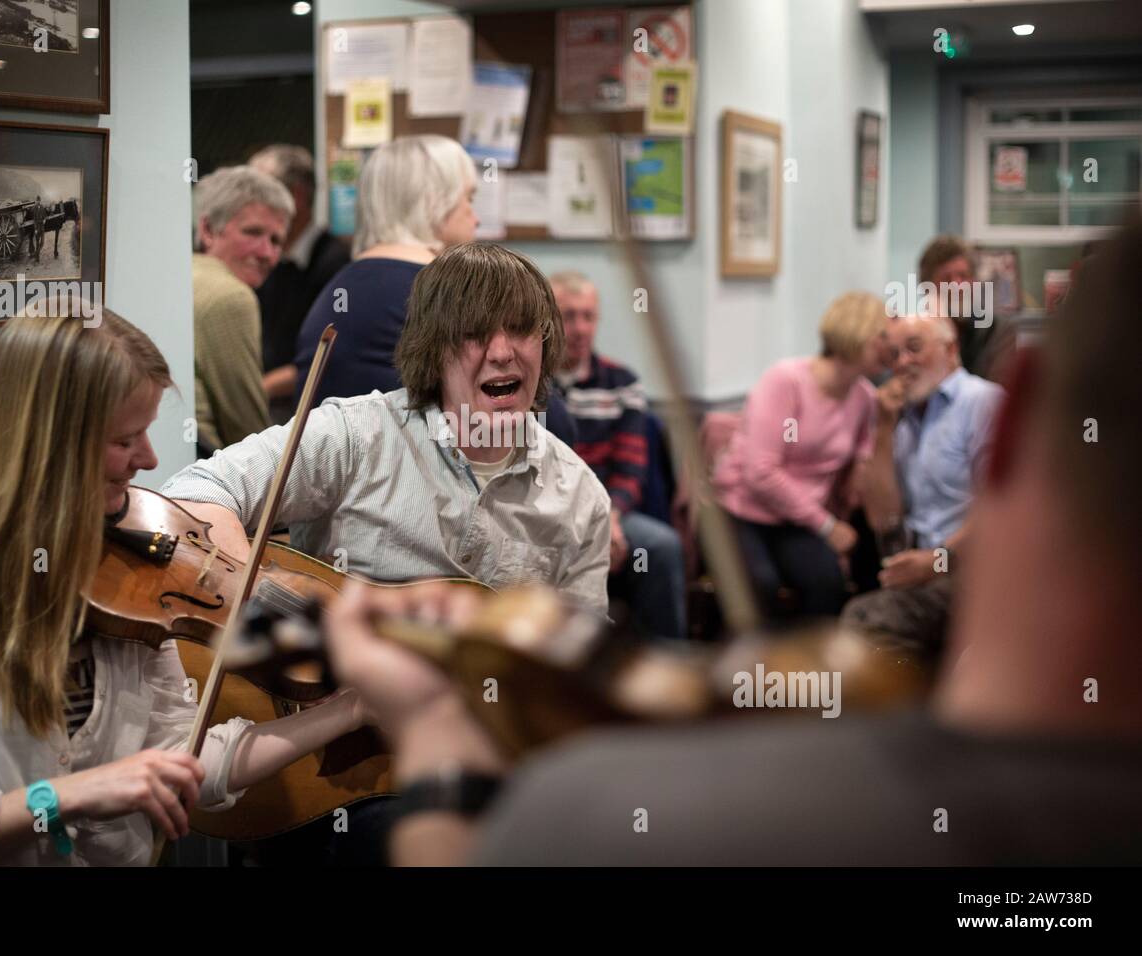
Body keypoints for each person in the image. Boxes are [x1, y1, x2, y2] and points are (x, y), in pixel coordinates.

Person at [320, 221, 1142, 866]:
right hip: (760, 516)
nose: (502, 352)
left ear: (1017, 414)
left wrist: (435, 743)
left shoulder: (627, 824)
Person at [0, 305, 370, 866]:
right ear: (43, 442)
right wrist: (68, 796)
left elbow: (182, 752)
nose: (149, 460)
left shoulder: (130, 575)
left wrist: (346, 712)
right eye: (126, 440)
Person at [163, 241, 610, 617]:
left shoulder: (581, 498)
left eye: (520, 330)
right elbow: (197, 491)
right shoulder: (355, 435)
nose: (501, 352)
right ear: (434, 351)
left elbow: (584, 656)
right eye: (474, 333)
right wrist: (271, 600)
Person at [289, 136, 578, 444]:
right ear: (434, 201)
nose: (476, 218)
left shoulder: (337, 289)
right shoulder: (443, 294)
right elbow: (552, 428)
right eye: (468, 199)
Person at [713, 292, 889, 618]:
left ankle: (808, 668)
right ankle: (752, 668)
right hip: (744, 512)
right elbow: (760, 473)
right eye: (882, 337)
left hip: (797, 520)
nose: (889, 348)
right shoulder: (786, 380)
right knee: (760, 587)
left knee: (827, 583)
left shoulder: (864, 396)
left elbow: (860, 459)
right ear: (857, 331)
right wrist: (826, 526)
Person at [841, 311, 1004, 657]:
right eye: (895, 355)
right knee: (861, 615)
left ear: (951, 348)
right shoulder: (906, 419)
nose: (904, 363)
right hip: (923, 568)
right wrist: (883, 427)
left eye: (914, 348)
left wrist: (937, 561)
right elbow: (882, 519)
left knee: (864, 622)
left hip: (974, 572)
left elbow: (1000, 509)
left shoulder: (982, 402)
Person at [550, 271, 685, 640]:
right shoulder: (530, 382)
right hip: (550, 514)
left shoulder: (622, 382)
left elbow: (631, 469)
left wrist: (608, 518)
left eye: (588, 316)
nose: (579, 328)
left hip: (612, 511)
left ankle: (668, 669)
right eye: (568, 316)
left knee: (660, 547)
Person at [192, 166, 293, 453]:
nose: (267, 253)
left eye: (276, 241)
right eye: (252, 232)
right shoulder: (231, 296)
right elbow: (247, 431)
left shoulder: (179, 273)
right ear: (208, 229)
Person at [248, 145, 351, 425]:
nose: (250, 205)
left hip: (301, 415)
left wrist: (261, 388)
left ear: (295, 197)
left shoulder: (333, 262)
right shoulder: (271, 259)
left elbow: (328, 354)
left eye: (261, 194)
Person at [916, 234, 1016, 384]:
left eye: (963, 276)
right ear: (927, 288)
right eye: (946, 279)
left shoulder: (999, 331)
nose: (957, 286)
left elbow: (996, 394)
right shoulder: (916, 336)